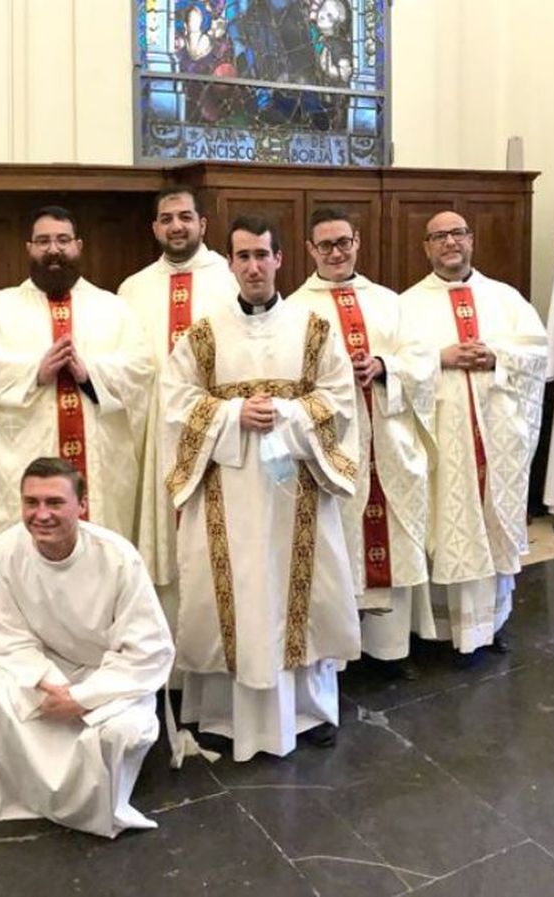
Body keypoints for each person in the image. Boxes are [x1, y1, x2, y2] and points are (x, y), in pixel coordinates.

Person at [161, 216, 360, 761]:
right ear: (230, 263)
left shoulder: (313, 329)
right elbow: (175, 402)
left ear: (279, 260)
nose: (253, 267)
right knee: (236, 594)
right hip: (226, 491)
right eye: (243, 256)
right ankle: (222, 714)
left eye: (262, 255)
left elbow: (340, 399)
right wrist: (231, 415)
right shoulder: (203, 335)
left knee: (302, 594)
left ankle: (310, 711)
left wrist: (287, 414)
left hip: (296, 488)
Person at [0, 457, 172, 838]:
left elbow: (149, 650)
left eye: (55, 502)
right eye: (31, 502)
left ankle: (94, 808)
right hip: (43, 669)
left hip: (109, 676)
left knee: (123, 730)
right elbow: (6, 635)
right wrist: (51, 683)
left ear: (82, 505)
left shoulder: (118, 557)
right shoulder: (5, 550)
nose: (41, 514)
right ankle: (27, 797)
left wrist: (83, 697)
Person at [285, 208, 435, 677]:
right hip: (336, 449)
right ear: (310, 250)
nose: (336, 253)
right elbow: (287, 377)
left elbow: (423, 359)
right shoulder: (293, 310)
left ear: (357, 242)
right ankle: (339, 658)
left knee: (394, 543)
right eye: (325, 245)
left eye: (343, 242)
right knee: (338, 550)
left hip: (389, 442)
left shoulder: (389, 301)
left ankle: (390, 652)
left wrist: (386, 366)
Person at [0, 205, 154, 555]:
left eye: (63, 240)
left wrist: (90, 373)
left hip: (101, 468)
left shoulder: (114, 309)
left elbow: (141, 368)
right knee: (24, 564)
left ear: (78, 246)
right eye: (43, 241)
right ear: (29, 248)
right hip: (21, 457)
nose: (54, 249)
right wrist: (35, 372)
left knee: (100, 562)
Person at [399, 211, 548, 659]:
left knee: (491, 522)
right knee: (446, 522)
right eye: (439, 236)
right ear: (425, 247)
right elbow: (396, 365)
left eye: (458, 234)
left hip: (497, 438)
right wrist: (439, 358)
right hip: (443, 441)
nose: (450, 243)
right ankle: (440, 629)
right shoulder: (406, 305)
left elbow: (539, 353)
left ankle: (491, 623)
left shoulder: (505, 298)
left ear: (471, 240)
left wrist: (497, 356)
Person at [117, 187, 239, 630]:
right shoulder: (132, 289)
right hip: (157, 433)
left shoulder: (230, 279)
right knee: (164, 536)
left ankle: (218, 639)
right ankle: (166, 641)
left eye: (185, 217)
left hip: (217, 430)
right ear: (155, 228)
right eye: (167, 219)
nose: (176, 226)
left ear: (202, 224)